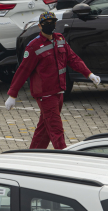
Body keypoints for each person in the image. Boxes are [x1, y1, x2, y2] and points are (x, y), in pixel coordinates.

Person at [5, 11, 101, 149]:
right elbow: (23, 70)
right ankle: (63, 156)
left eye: (52, 22)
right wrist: (12, 94)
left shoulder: (60, 39)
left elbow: (72, 58)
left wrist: (89, 74)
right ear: (39, 26)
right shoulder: (34, 46)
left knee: (44, 127)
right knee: (56, 129)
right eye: (46, 23)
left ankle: (33, 155)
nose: (50, 25)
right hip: (45, 95)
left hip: (59, 91)